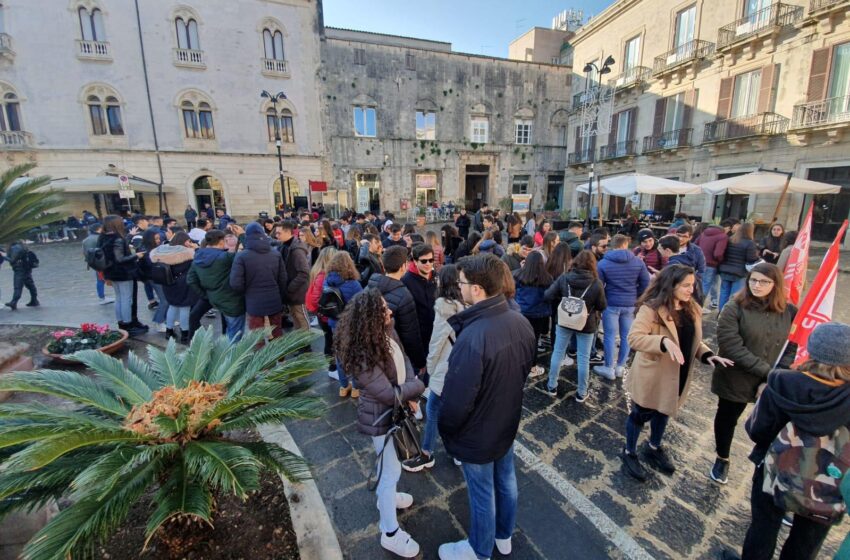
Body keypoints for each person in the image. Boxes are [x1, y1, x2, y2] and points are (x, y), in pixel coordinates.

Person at [437, 254, 536, 560]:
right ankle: (503, 535)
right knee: (506, 480)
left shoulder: (473, 337)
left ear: (478, 290)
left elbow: (455, 401)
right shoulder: (520, 321)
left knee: (482, 494)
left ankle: (479, 550)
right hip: (505, 422)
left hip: (477, 433)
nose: (459, 288)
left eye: (462, 283)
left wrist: (446, 431)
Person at [726, 322, 850, 560]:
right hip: (828, 484)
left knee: (764, 527)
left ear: (812, 350)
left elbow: (757, 430)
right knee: (805, 543)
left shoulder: (782, 383)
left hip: (775, 471)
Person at [334, 288, 425, 558]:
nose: (390, 312)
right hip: (382, 418)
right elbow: (385, 394)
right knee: (390, 473)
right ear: (370, 317)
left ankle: (389, 498)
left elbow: (404, 360)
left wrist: (409, 386)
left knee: (391, 468)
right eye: (384, 309)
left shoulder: (384, 331)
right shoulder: (363, 352)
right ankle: (390, 532)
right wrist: (418, 386)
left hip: (394, 411)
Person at [622, 264, 733, 481]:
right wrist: (662, 342)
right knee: (640, 414)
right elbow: (634, 338)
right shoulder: (651, 309)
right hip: (654, 375)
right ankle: (629, 452)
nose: (690, 290)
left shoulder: (692, 308)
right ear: (670, 285)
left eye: (692, 285)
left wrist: (708, 355)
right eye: (685, 285)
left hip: (679, 374)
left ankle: (653, 446)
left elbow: (693, 340)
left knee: (664, 411)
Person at [710, 262, 796, 485]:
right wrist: (768, 373)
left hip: (774, 379)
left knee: (774, 425)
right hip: (736, 376)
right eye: (753, 280)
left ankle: (768, 463)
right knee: (727, 418)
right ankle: (722, 457)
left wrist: (776, 377)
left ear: (775, 284)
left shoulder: (788, 311)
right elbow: (731, 344)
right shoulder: (735, 306)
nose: (757, 285)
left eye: (764, 282)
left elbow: (793, 345)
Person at [402, 264, 467, 473]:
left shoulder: (443, 308)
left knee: (432, 409)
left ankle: (427, 453)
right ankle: (457, 452)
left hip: (444, 368)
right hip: (461, 366)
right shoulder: (465, 305)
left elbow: (436, 343)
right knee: (457, 411)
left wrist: (428, 368)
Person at [544, 251, 607, 400]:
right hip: (586, 324)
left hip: (565, 321)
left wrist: (565, 299)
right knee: (583, 358)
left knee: (558, 353)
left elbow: (548, 295)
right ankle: (582, 392)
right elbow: (602, 305)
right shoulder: (596, 283)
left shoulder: (564, 278)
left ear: (575, 262)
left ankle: (552, 385)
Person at [595, 234, 650, 380]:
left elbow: (599, 285)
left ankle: (608, 367)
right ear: (626, 244)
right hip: (630, 303)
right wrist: (635, 296)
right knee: (626, 336)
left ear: (612, 245)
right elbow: (645, 283)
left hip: (611, 302)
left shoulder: (603, 263)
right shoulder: (638, 262)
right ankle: (620, 366)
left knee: (609, 336)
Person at [368, 246, 426, 372]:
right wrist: (420, 362)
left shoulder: (370, 286)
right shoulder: (404, 295)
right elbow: (411, 334)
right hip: (396, 355)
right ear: (403, 266)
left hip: (372, 351)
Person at [229, 222, 288, 339]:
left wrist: (246, 293)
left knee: (256, 337)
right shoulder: (275, 254)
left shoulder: (241, 256)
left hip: (253, 301)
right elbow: (283, 279)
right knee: (277, 332)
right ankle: (280, 357)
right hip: (274, 298)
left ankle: (261, 357)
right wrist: (279, 294)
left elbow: (235, 284)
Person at [187, 229, 246, 342]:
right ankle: (232, 358)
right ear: (221, 241)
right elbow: (250, 253)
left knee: (229, 329)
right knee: (235, 334)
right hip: (232, 300)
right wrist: (242, 235)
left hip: (213, 297)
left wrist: (205, 295)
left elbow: (191, 280)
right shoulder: (226, 257)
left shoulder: (198, 256)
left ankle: (224, 351)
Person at [97, 215, 147, 336]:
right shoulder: (117, 238)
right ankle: (128, 324)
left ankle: (122, 323)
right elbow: (120, 258)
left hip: (110, 272)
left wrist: (129, 236)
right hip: (123, 272)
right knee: (126, 298)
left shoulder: (103, 237)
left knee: (119, 298)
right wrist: (137, 255)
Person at [324, 252, 364, 397]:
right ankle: (355, 388)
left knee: (340, 355)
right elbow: (361, 305)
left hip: (334, 323)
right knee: (354, 355)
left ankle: (343, 386)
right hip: (351, 324)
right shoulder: (354, 284)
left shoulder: (326, 281)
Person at [150, 232, 198, 344]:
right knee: (185, 308)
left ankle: (169, 331)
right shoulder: (188, 253)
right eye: (189, 240)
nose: (190, 243)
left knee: (173, 306)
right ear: (185, 241)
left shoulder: (161, 251)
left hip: (168, 283)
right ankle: (185, 334)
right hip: (183, 284)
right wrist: (196, 248)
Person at [513, 251, 552, 379]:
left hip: (521, 312)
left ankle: (518, 363)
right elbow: (549, 296)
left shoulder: (518, 275)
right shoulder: (547, 278)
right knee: (533, 341)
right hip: (538, 315)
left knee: (520, 339)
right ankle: (532, 367)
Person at [305, 247, 338, 377]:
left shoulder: (319, 272)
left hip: (323, 315)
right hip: (326, 316)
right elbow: (315, 298)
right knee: (330, 340)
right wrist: (323, 311)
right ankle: (332, 368)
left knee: (329, 339)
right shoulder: (323, 275)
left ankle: (333, 366)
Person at [402, 244, 437, 365]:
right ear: (415, 262)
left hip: (436, 333)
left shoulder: (436, 277)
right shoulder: (406, 281)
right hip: (420, 338)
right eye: (424, 261)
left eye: (431, 260)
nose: (428, 264)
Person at [275, 220, 311, 331]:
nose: (276, 235)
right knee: (295, 318)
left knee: (301, 318)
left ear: (287, 232)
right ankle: (299, 342)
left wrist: (290, 287)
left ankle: (305, 344)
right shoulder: (284, 246)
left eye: (279, 233)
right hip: (290, 292)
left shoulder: (297, 250)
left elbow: (304, 272)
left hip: (297, 292)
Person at [718, 222, 760, 311]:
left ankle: (720, 313)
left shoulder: (730, 239)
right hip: (739, 273)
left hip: (725, 270)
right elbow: (751, 259)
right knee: (734, 296)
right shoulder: (750, 243)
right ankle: (728, 314)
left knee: (723, 293)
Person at [138, 229, 170, 332]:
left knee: (166, 299)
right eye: (156, 238)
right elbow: (152, 263)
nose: (158, 240)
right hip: (154, 277)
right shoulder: (146, 251)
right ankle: (159, 321)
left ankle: (164, 319)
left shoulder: (150, 248)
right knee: (164, 300)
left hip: (156, 277)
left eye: (158, 238)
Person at [695, 221, 730, 310]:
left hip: (699, 262)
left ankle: (712, 301)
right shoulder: (723, 236)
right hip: (711, 264)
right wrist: (720, 261)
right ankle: (698, 306)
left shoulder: (703, 233)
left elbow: (695, 245)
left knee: (700, 284)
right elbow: (718, 253)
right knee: (705, 285)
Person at [82, 223, 113, 305]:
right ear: (99, 229)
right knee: (103, 280)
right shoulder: (100, 238)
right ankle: (102, 298)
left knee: (99, 280)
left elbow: (84, 252)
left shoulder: (85, 240)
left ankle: (102, 297)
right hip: (103, 262)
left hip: (93, 263)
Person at [3, 240, 39, 311]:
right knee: (30, 284)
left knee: (18, 287)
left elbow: (12, 260)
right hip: (26, 268)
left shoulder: (15, 248)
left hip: (19, 270)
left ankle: (14, 302)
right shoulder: (21, 246)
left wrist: (3, 256)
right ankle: (34, 300)